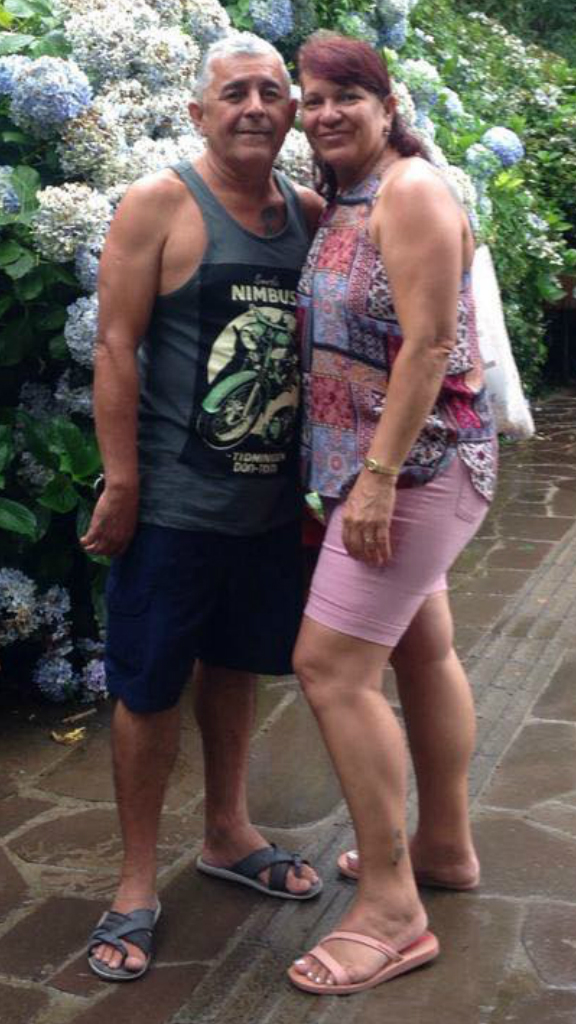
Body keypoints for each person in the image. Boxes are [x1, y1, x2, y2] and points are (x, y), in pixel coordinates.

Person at [80, 32, 325, 982]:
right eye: (234, 93)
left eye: (271, 90)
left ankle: (228, 831)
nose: (255, 106)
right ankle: (136, 882)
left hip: (268, 511)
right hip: (173, 508)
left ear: (291, 109)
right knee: (148, 688)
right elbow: (114, 345)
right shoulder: (160, 202)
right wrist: (123, 482)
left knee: (235, 668)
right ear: (198, 113)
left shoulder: (307, 213)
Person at [287, 33, 497, 996]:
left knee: (330, 669)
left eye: (347, 95)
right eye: (313, 97)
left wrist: (373, 479)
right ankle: (442, 848)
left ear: (387, 102)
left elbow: (429, 344)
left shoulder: (409, 191)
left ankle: (391, 910)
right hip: (392, 470)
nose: (326, 112)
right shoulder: (350, 195)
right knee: (422, 650)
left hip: (413, 472)